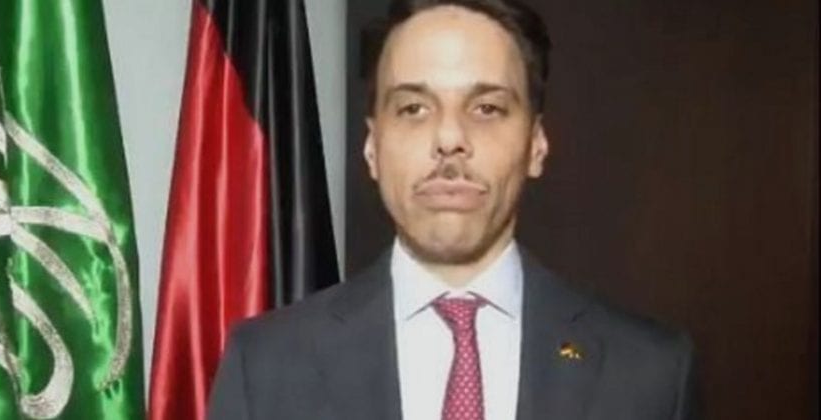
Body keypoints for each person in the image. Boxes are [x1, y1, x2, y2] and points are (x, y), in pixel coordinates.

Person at [207, 0, 700, 419]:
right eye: (413, 108)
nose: (449, 138)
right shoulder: (265, 367)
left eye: (487, 108)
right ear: (372, 147)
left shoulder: (650, 372)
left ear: (536, 144)